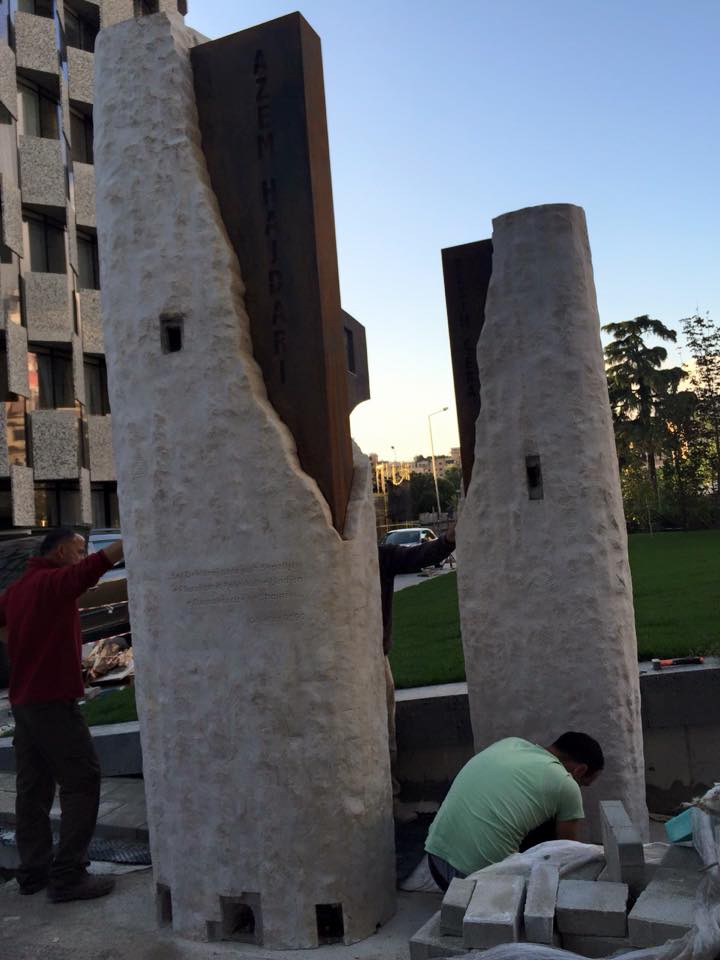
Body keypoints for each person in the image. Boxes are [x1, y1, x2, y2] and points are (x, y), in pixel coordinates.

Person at [0, 527, 124, 902]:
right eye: (78, 549)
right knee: (82, 780)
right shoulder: (52, 583)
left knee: (33, 788)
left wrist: (26, 643)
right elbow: (94, 568)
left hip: (24, 702)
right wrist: (136, 532)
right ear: (57, 553)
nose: (83, 555)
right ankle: (69, 875)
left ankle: (33, 872)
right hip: (52, 702)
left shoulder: (18, 589)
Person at [425, 732, 604, 890]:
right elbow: (567, 854)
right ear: (581, 770)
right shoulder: (566, 783)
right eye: (584, 784)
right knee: (554, 848)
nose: (580, 788)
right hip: (474, 886)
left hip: (436, 864)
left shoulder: (510, 744)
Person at [379, 523, 456, 820]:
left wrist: (448, 539)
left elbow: (420, 555)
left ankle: (392, 801)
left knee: (386, 733)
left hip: (375, 658)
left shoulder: (380, 557)